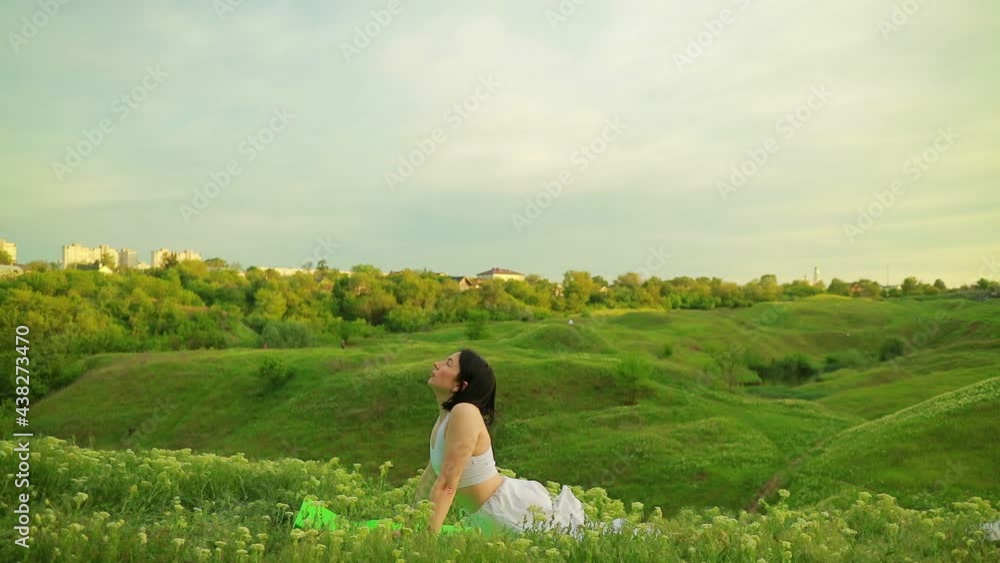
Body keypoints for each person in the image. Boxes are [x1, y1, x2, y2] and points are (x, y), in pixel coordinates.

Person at [415, 348, 659, 539]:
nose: (436, 364)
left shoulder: (465, 412)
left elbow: (447, 484)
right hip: (486, 515)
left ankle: (652, 535)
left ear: (461, 385)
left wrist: (425, 537)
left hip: (509, 509)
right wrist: (410, 523)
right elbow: (429, 479)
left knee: (579, 540)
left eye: (448, 363)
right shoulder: (443, 421)